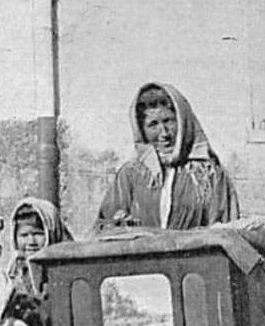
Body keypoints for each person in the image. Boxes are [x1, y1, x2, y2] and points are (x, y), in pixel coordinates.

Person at [97, 81, 240, 232]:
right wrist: (120, 226)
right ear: (142, 130)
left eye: (168, 121)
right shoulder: (130, 174)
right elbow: (104, 226)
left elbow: (227, 232)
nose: (164, 133)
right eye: (153, 124)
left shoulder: (210, 175)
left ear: (183, 121)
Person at [1, 197, 72, 326]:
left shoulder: (65, 268)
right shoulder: (10, 271)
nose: (31, 242)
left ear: (51, 232)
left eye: (38, 234)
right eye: (24, 235)